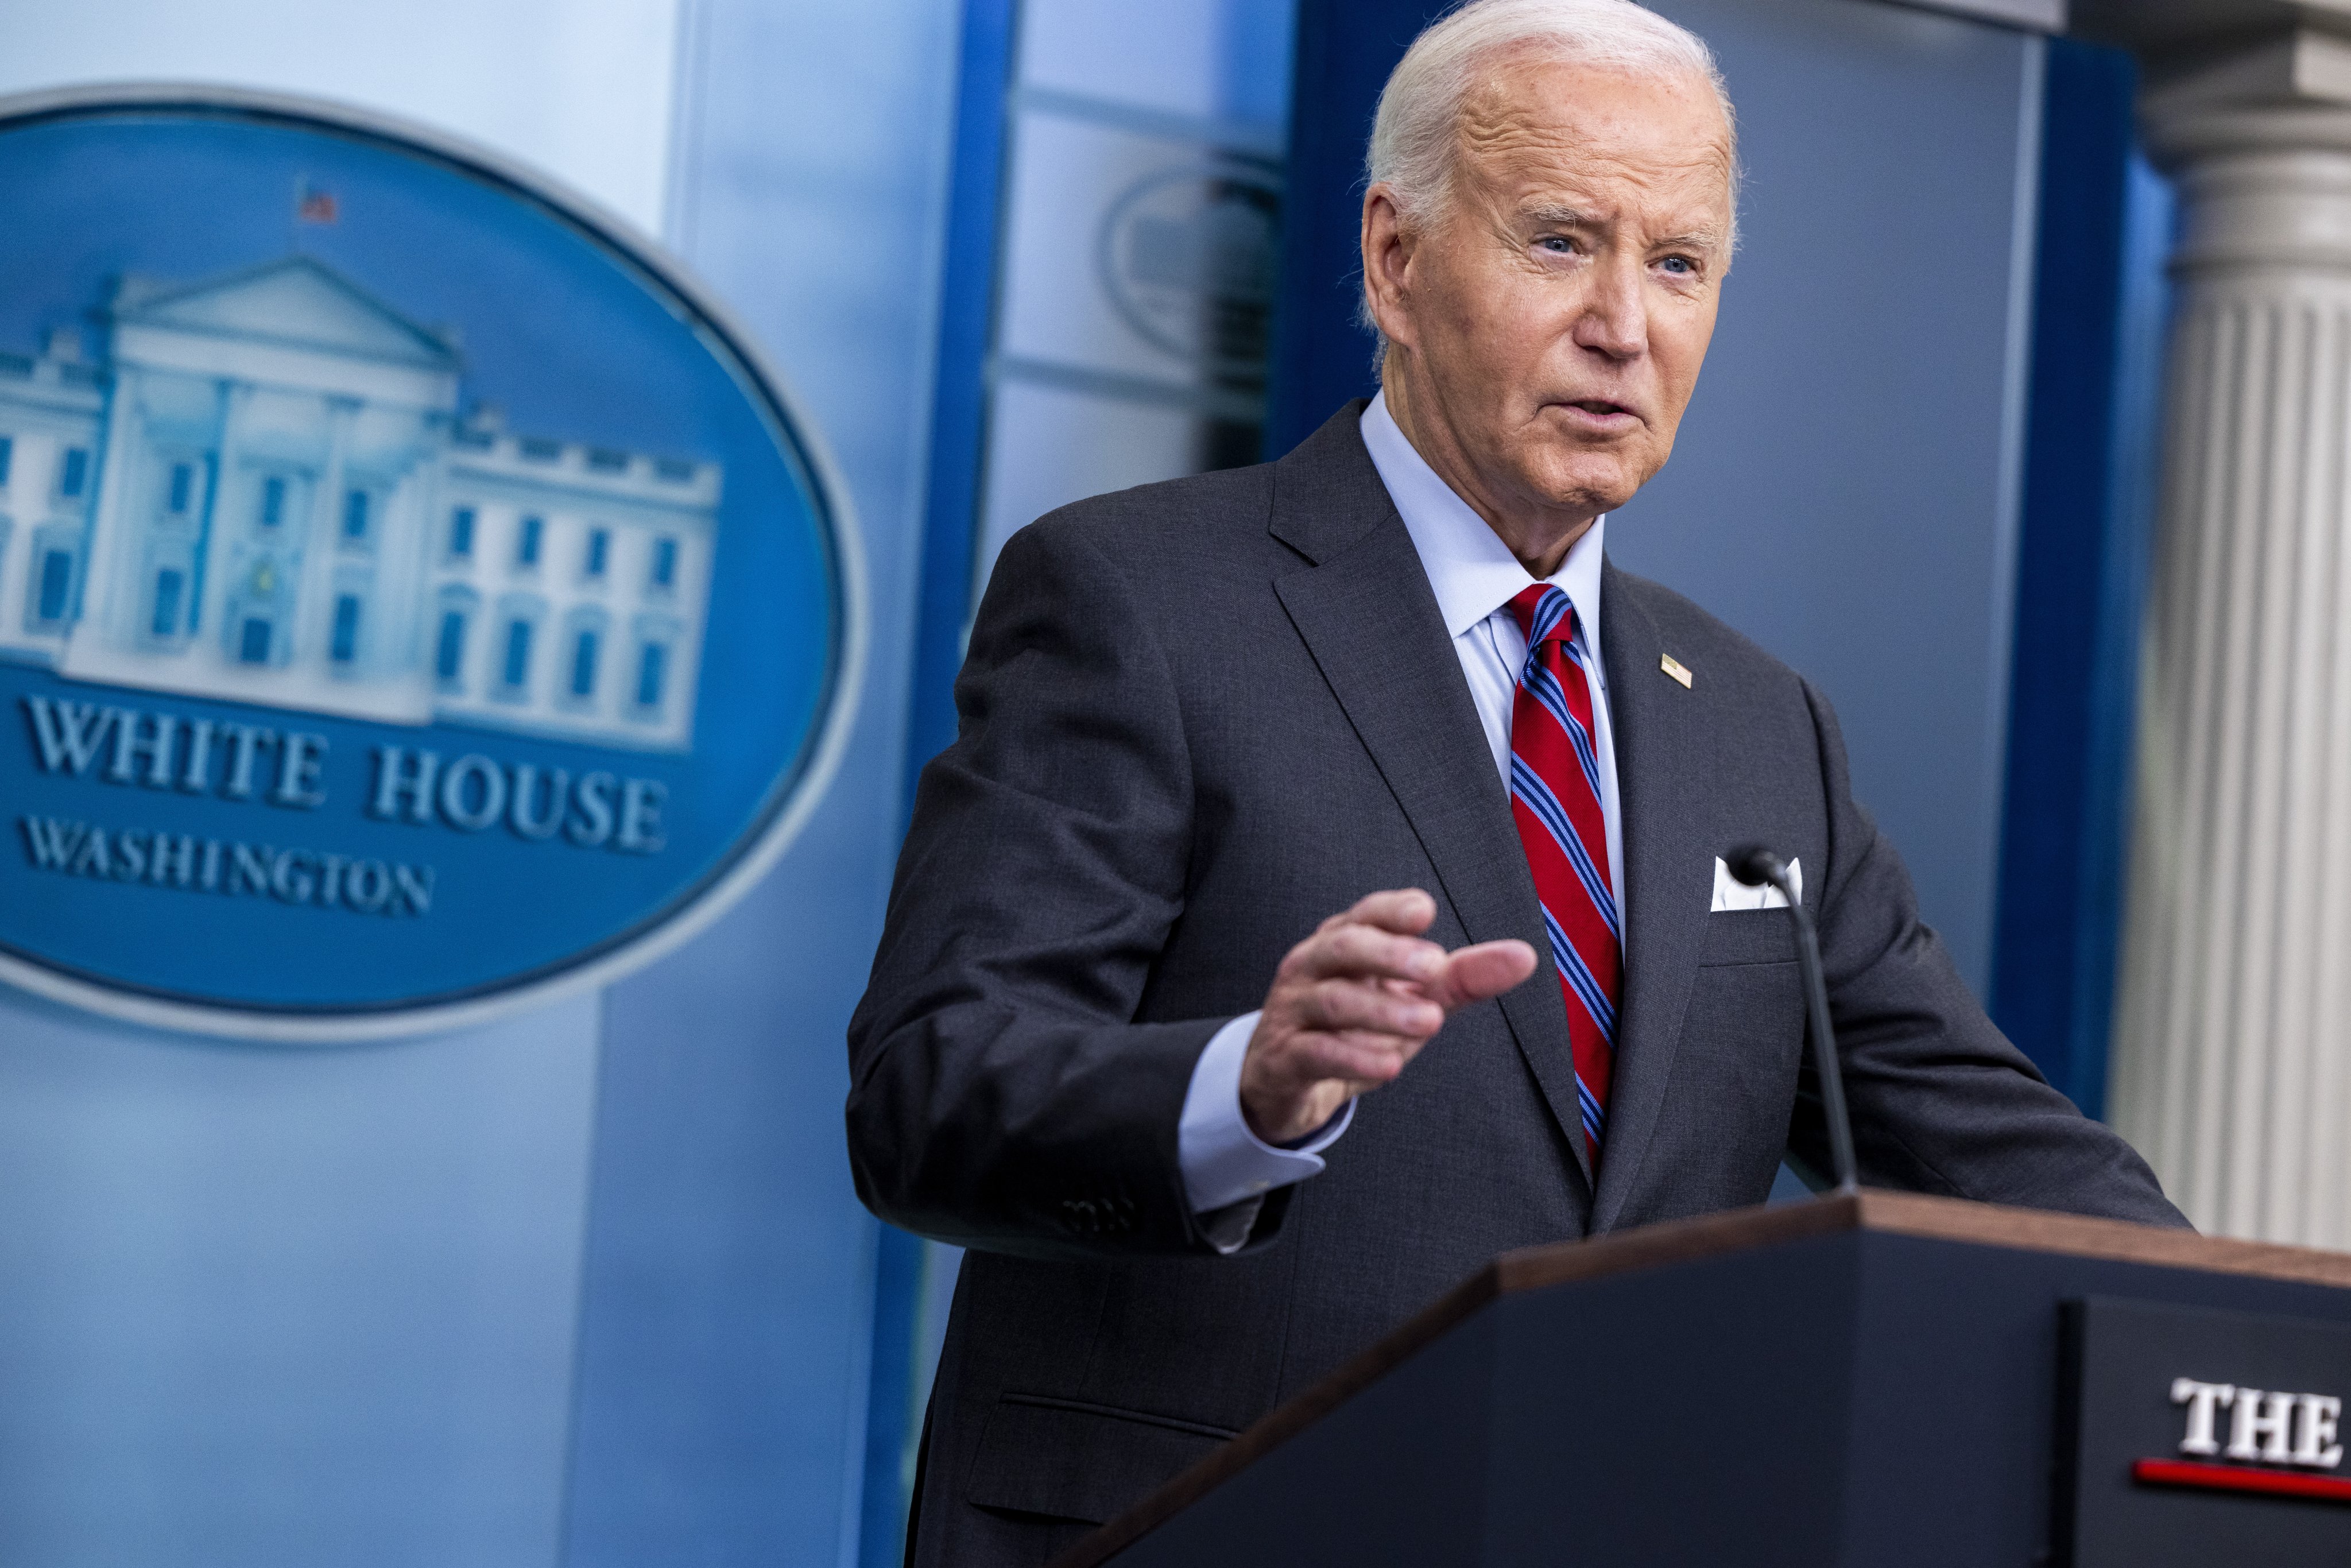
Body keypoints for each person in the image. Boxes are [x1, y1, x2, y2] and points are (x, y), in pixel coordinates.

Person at [846, 1, 2186, 1561]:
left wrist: (2268, 1354)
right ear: (1394, 261)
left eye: (1678, 264)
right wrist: (1243, 1091)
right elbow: (928, 1093)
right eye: (1564, 241)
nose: (1626, 321)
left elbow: (1992, 1149)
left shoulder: (1762, 729)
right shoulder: (1138, 599)